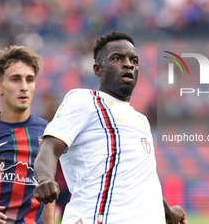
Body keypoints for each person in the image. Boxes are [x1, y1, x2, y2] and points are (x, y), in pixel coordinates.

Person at [33, 31, 187, 224]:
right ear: (98, 69)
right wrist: (46, 179)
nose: (128, 64)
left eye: (134, 60)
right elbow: (48, 148)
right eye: (117, 58)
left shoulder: (140, 120)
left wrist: (165, 211)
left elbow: (137, 177)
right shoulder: (84, 100)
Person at [0, 46, 55, 224]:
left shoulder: (49, 134)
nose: (24, 87)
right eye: (15, 79)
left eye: (29, 80)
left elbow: (49, 192)